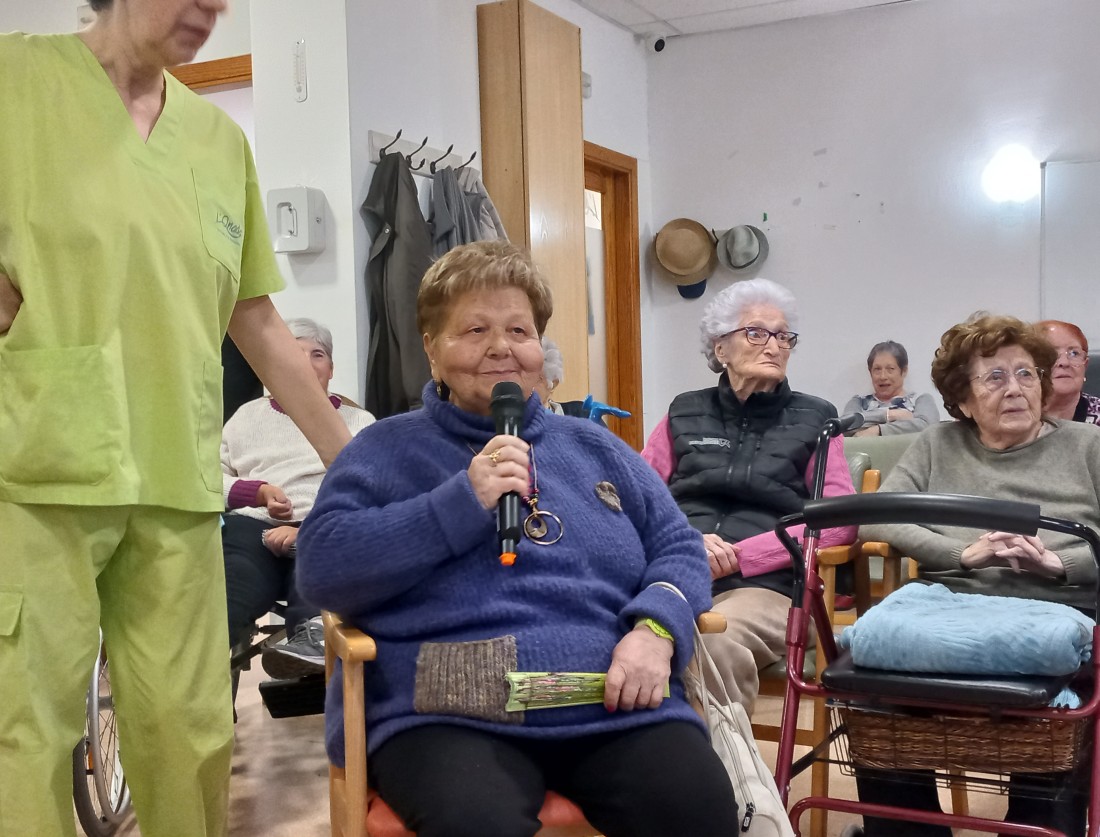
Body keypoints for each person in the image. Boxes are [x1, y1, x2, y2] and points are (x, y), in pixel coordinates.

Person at [0, 4, 353, 836]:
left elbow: (255, 317)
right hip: (37, 464)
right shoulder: (17, 82)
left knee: (189, 727)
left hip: (178, 474)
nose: (208, 11)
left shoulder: (218, 141)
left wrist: (354, 462)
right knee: (24, 725)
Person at [296, 241, 740, 837]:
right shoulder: (382, 450)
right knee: (478, 823)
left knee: (696, 805)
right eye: (474, 329)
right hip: (448, 717)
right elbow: (322, 568)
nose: (501, 347)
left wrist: (657, 630)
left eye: (519, 330)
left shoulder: (595, 446)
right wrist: (461, 501)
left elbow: (677, 546)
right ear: (431, 348)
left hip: (614, 703)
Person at [855, 313, 1100, 837]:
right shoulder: (937, 443)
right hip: (950, 605)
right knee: (873, 688)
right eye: (994, 377)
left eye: (1026, 373)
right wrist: (961, 553)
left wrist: (1061, 564)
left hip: (1060, 608)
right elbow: (876, 516)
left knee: (1066, 695)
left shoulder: (1088, 445)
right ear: (963, 400)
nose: (1015, 388)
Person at [642, 278, 857, 712]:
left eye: (783, 336)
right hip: (677, 572)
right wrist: (686, 544)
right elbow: (638, 498)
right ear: (720, 348)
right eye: (756, 333)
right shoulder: (684, 411)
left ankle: (719, 760)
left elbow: (838, 522)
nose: (774, 346)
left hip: (768, 589)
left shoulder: (817, 419)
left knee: (713, 645)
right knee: (608, 628)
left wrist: (741, 557)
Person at [222, 319, 375, 679]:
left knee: (320, 566)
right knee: (232, 586)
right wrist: (256, 492)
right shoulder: (246, 417)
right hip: (253, 526)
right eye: (294, 353)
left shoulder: (360, 421)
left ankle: (313, 647)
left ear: (331, 369)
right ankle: (193, 672)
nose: (305, 363)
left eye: (317, 354)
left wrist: (306, 529)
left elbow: (371, 488)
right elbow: (211, 478)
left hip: (324, 524)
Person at [844, 340, 941, 436]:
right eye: (877, 369)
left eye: (890, 369)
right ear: (870, 372)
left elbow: (927, 427)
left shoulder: (921, 400)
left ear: (904, 371)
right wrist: (889, 415)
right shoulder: (858, 402)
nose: (883, 376)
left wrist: (878, 430)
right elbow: (844, 426)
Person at [1038, 319, 1100, 424]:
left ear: (1085, 365)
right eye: (1051, 354)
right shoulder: (1015, 414)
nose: (1064, 362)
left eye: (1074, 353)